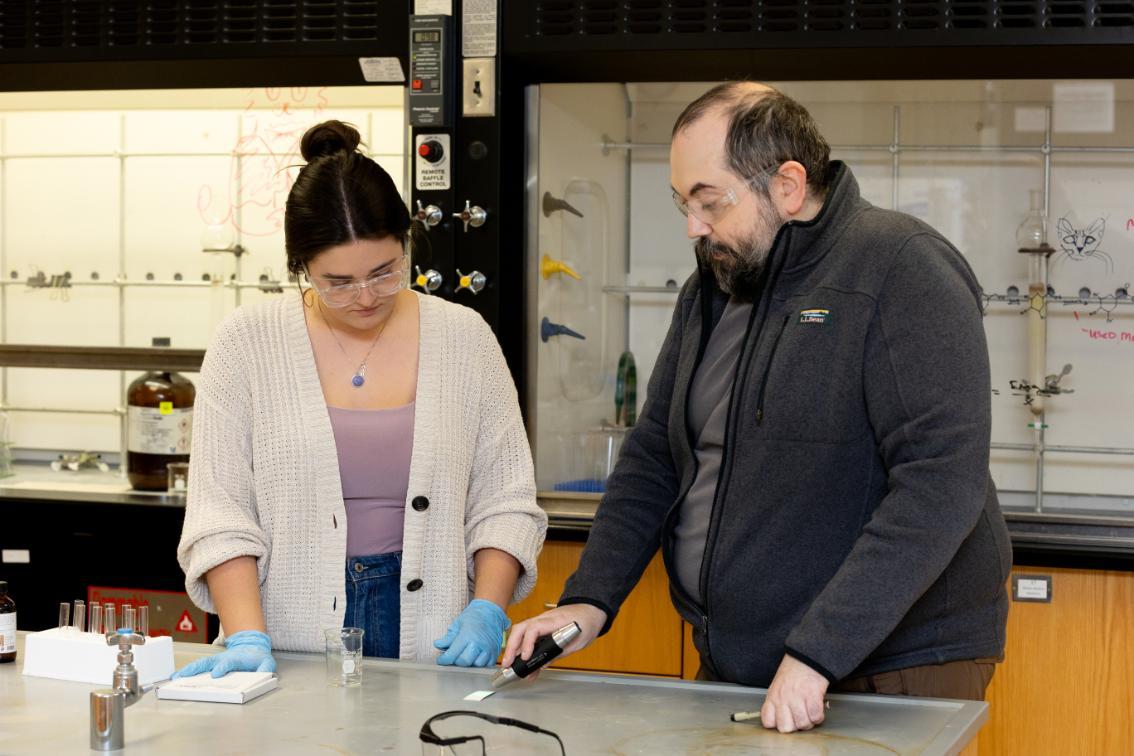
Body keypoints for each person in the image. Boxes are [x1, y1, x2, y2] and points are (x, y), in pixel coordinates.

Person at [504, 83, 1011, 732]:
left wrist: (817, 653)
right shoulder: (715, 287)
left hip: (892, 664)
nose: (692, 225)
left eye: (709, 201)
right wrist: (588, 601)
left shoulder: (901, 268)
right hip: (748, 659)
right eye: (682, 202)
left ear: (789, 186)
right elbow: (657, 453)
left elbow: (940, 484)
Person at [175, 120, 546, 677]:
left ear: (407, 242)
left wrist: (488, 607)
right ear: (300, 268)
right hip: (285, 636)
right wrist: (248, 634)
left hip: (435, 632)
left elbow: (504, 500)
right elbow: (221, 512)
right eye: (338, 282)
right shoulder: (246, 343)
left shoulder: (464, 338)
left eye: (385, 271)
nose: (366, 297)